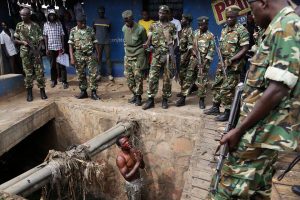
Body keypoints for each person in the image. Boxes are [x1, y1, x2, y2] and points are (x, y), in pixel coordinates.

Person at [210, 0, 300, 199]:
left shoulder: (287, 26)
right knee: (258, 191)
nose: (251, 16)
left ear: (263, 3)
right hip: (262, 132)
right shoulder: (278, 26)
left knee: (227, 190)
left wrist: (239, 130)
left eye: (252, 9)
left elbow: (278, 89)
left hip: (258, 133)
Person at [204, 5, 249, 122]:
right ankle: (215, 107)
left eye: (231, 17)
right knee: (217, 85)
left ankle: (228, 112)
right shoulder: (224, 29)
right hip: (222, 62)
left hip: (233, 65)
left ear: (237, 17)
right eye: (227, 17)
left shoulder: (242, 30)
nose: (229, 19)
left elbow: (245, 49)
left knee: (227, 89)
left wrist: (231, 60)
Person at [142, 5, 176, 110]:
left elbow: (175, 43)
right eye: (160, 12)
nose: (161, 14)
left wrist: (171, 54)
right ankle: (150, 99)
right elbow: (149, 40)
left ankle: (165, 99)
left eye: (163, 13)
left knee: (167, 79)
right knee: (152, 77)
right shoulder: (153, 25)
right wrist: (148, 45)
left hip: (167, 55)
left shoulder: (172, 26)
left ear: (167, 14)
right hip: (156, 55)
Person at [14, 8, 47, 102]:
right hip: (25, 53)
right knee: (28, 73)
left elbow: (41, 39)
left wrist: (39, 50)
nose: (22, 17)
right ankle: (29, 93)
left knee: (39, 72)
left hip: (36, 52)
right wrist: (22, 42)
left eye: (24, 15)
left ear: (29, 15)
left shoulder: (36, 25)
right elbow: (15, 40)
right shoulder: (19, 25)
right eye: (21, 15)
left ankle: (42, 91)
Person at [68, 14, 101, 100]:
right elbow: (70, 45)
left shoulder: (90, 30)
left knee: (93, 74)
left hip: (90, 55)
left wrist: (98, 54)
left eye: (84, 22)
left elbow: (95, 42)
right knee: (81, 75)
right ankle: (83, 92)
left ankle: (93, 92)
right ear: (77, 22)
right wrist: (72, 57)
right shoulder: (73, 31)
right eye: (81, 22)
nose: (83, 24)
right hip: (78, 56)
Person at [186, 16, 215, 109]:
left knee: (202, 81)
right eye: (200, 25)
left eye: (204, 24)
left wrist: (204, 61)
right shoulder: (194, 33)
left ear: (207, 24)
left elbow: (211, 50)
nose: (202, 26)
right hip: (193, 59)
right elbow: (190, 44)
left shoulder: (210, 35)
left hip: (204, 62)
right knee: (189, 77)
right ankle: (183, 97)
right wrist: (193, 51)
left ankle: (201, 100)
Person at [122, 10, 147, 106]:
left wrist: (144, 62)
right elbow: (125, 42)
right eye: (125, 21)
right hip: (128, 56)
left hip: (138, 56)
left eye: (128, 21)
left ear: (132, 18)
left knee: (138, 78)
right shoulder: (124, 28)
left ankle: (139, 97)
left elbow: (145, 44)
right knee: (129, 78)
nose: (126, 23)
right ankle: (134, 94)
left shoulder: (141, 29)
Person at [43, 9, 68, 89]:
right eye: (50, 15)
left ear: (55, 16)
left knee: (62, 65)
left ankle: (64, 81)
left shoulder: (59, 24)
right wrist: (46, 48)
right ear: (48, 16)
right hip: (51, 48)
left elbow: (62, 36)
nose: (52, 16)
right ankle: (53, 81)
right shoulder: (46, 25)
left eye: (53, 15)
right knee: (52, 65)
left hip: (59, 47)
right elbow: (45, 37)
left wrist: (63, 47)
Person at [116, 135, 145, 200]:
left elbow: (142, 166)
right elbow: (126, 176)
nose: (128, 142)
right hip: (132, 185)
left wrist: (141, 159)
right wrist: (138, 162)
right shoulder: (120, 158)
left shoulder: (133, 151)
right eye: (124, 143)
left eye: (127, 140)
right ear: (120, 146)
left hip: (139, 181)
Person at [175, 14, 194, 107]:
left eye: (183, 19)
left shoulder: (190, 30)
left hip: (186, 56)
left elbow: (191, 46)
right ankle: (191, 87)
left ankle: (183, 97)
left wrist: (185, 58)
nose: (181, 20)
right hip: (181, 54)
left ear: (187, 21)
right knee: (182, 75)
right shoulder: (183, 30)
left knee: (185, 77)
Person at [93, 6, 113, 81]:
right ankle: (99, 74)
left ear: (104, 12)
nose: (101, 13)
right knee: (99, 58)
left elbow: (109, 30)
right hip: (98, 43)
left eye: (102, 12)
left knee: (108, 58)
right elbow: (94, 30)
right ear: (98, 12)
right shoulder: (95, 20)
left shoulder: (108, 21)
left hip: (106, 42)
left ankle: (110, 74)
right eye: (99, 12)